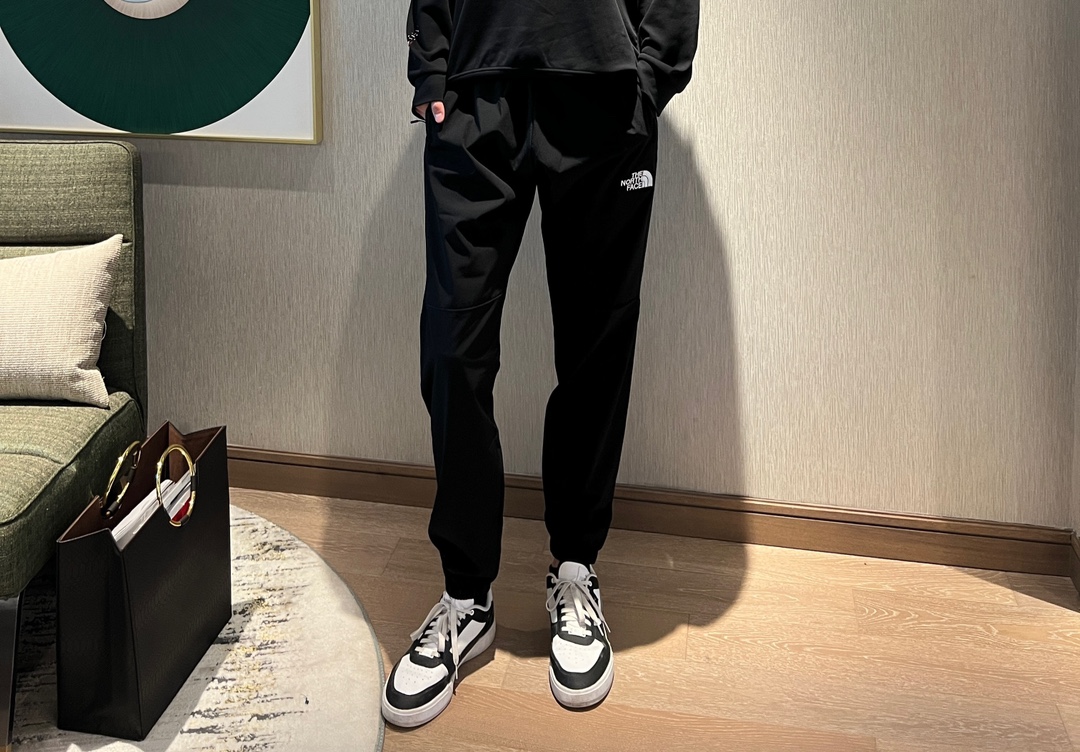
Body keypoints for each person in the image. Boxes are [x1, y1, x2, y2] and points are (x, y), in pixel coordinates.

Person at [382, 0, 699, 728]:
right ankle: (467, 596)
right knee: (452, 348)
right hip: (474, 96)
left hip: (606, 95)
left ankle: (575, 568)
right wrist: (431, 68)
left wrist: (651, 76)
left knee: (596, 347)